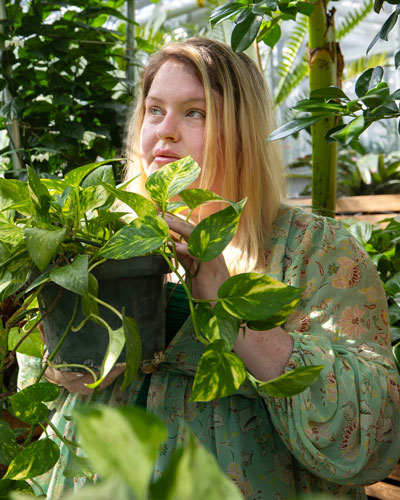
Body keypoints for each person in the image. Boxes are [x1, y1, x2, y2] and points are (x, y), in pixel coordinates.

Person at [18, 37, 400, 499]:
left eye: (195, 113)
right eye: (154, 110)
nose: (166, 131)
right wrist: (61, 371)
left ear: (241, 130)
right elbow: (39, 381)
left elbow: (374, 433)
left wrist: (230, 309)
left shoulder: (316, 251)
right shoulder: (98, 239)